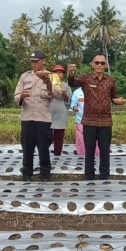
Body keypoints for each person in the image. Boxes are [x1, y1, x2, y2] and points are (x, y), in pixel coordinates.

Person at [68, 53, 126, 181]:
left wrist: (118, 100)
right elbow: (72, 83)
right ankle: (89, 176)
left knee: (105, 151)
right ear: (92, 64)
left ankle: (104, 176)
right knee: (89, 151)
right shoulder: (86, 78)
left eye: (102, 63)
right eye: (97, 62)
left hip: (105, 122)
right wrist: (71, 73)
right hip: (89, 121)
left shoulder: (110, 80)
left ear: (105, 65)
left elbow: (114, 96)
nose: (99, 65)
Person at [14, 50, 64, 181]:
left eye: (36, 61)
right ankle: (27, 173)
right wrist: (21, 96)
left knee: (43, 148)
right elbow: (16, 96)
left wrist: (47, 82)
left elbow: (59, 95)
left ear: (43, 61)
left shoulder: (53, 76)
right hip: (27, 117)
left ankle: (45, 174)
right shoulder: (25, 76)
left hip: (43, 118)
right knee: (27, 148)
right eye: (32, 61)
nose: (34, 64)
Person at [70, 87, 99, 157]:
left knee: (95, 139)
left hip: (94, 120)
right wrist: (74, 107)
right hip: (80, 120)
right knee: (81, 139)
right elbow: (73, 104)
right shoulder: (77, 92)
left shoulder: (95, 89)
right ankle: (81, 156)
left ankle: (97, 156)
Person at [50, 65, 72, 157]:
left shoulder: (66, 86)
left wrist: (64, 94)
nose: (58, 74)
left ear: (63, 74)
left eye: (60, 72)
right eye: (56, 72)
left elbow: (69, 101)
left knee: (59, 136)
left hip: (61, 113)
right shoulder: (48, 84)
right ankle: (44, 153)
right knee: (46, 135)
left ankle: (57, 154)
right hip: (48, 113)